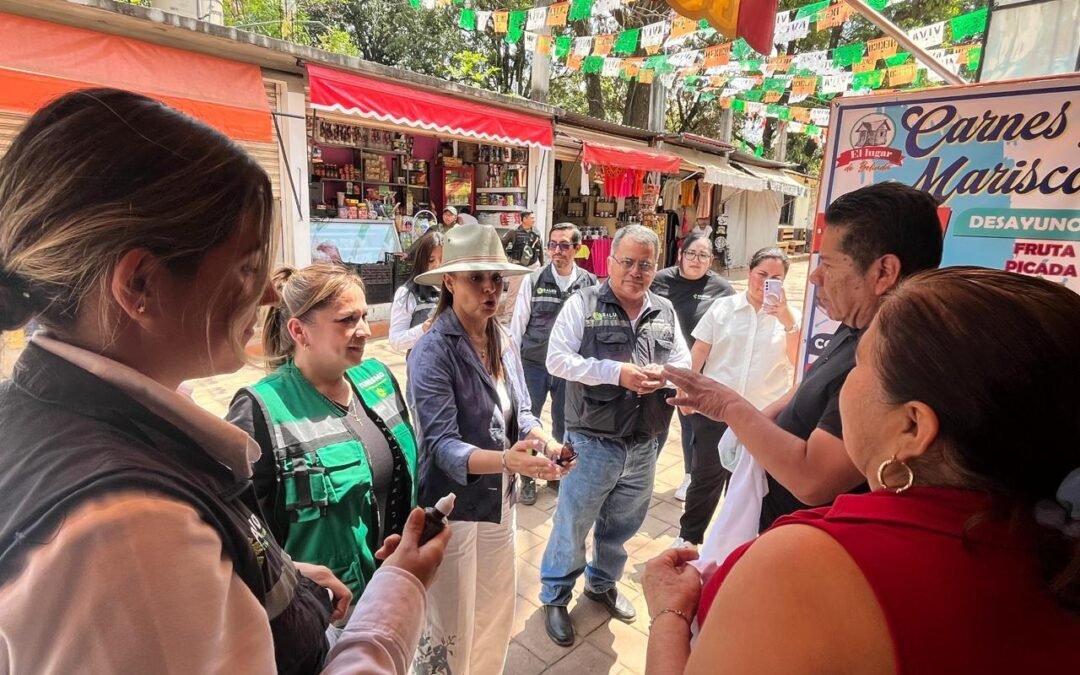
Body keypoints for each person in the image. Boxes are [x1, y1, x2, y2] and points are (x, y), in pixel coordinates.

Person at [0, 88, 448, 674]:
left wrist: (267, 582)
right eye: (246, 265)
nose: (266, 294)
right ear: (140, 284)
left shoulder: (79, 427)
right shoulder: (130, 532)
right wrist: (400, 589)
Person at [643, 267, 1080, 674]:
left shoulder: (806, 563)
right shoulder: (1048, 544)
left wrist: (669, 612)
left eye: (861, 366)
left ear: (912, 427)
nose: (816, 275)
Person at [665, 182, 944, 535]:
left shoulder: (887, 359)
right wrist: (762, 418)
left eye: (827, 263)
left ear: (884, 272)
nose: (814, 277)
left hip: (808, 541)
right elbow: (811, 382)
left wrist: (729, 407)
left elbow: (813, 480)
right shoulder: (856, 324)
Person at [407, 224, 573, 674]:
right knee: (451, 622)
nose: (489, 288)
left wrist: (548, 445)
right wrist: (505, 460)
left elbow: (524, 413)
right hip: (453, 508)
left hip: (500, 501)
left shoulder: (502, 340)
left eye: (496, 278)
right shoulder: (432, 351)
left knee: (496, 611)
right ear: (448, 281)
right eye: (476, 277)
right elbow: (440, 445)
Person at [227, 264, 418, 605]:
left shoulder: (378, 379)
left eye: (364, 316)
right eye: (347, 320)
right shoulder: (262, 409)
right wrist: (286, 575)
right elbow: (235, 528)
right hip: (329, 610)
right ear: (299, 331)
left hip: (398, 586)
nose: (364, 330)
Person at [539, 224, 692, 647]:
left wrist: (666, 374)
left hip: (645, 443)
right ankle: (555, 596)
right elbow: (557, 359)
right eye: (627, 262)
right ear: (609, 262)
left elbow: (682, 361)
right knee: (573, 524)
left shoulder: (664, 310)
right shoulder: (584, 303)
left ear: (655, 267)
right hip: (592, 440)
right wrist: (615, 372)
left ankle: (602, 584)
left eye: (645, 264)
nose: (635, 272)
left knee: (622, 525)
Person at [671, 248, 799, 549]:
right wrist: (687, 386)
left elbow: (798, 362)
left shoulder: (791, 319)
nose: (766, 283)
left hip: (762, 415)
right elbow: (701, 348)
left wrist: (786, 320)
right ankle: (688, 538)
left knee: (747, 484)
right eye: (761, 274)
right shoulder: (723, 308)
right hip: (715, 411)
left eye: (775, 278)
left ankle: (735, 546)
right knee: (705, 476)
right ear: (750, 272)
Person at [510, 222, 598, 505]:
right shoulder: (533, 280)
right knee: (528, 422)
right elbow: (517, 325)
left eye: (564, 245)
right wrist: (512, 365)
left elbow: (592, 326)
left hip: (569, 367)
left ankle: (556, 473)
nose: (557, 251)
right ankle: (527, 478)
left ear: (577, 248)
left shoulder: (589, 283)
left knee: (565, 421)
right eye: (552, 245)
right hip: (533, 364)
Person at [650, 232, 735, 501]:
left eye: (703, 255)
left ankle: (689, 475)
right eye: (691, 253)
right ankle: (643, 471)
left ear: (710, 260)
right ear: (680, 255)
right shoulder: (660, 280)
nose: (696, 260)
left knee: (691, 423)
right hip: (660, 363)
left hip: (698, 369)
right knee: (654, 421)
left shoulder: (721, 289)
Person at [388, 231, 444, 353]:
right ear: (421, 261)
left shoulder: (456, 290)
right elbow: (395, 341)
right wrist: (423, 329)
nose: (437, 265)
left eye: (443, 260)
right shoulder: (407, 293)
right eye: (431, 260)